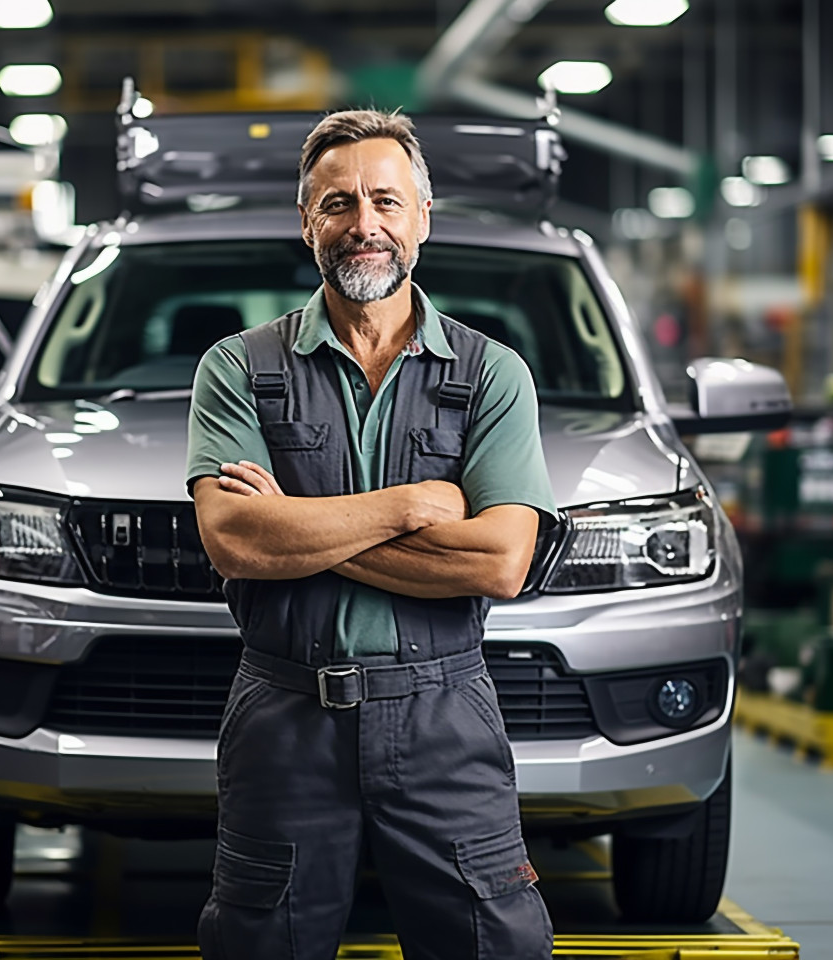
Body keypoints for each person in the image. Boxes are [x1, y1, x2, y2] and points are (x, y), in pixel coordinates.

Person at [187, 108, 558, 960]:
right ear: (306, 221)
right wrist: (412, 506)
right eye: (338, 204)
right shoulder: (238, 368)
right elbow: (236, 542)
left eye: (387, 202)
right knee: (261, 944)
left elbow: (501, 561)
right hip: (284, 715)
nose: (365, 225)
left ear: (422, 218)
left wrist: (300, 527)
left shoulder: (492, 374)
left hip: (442, 716)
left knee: (491, 943)